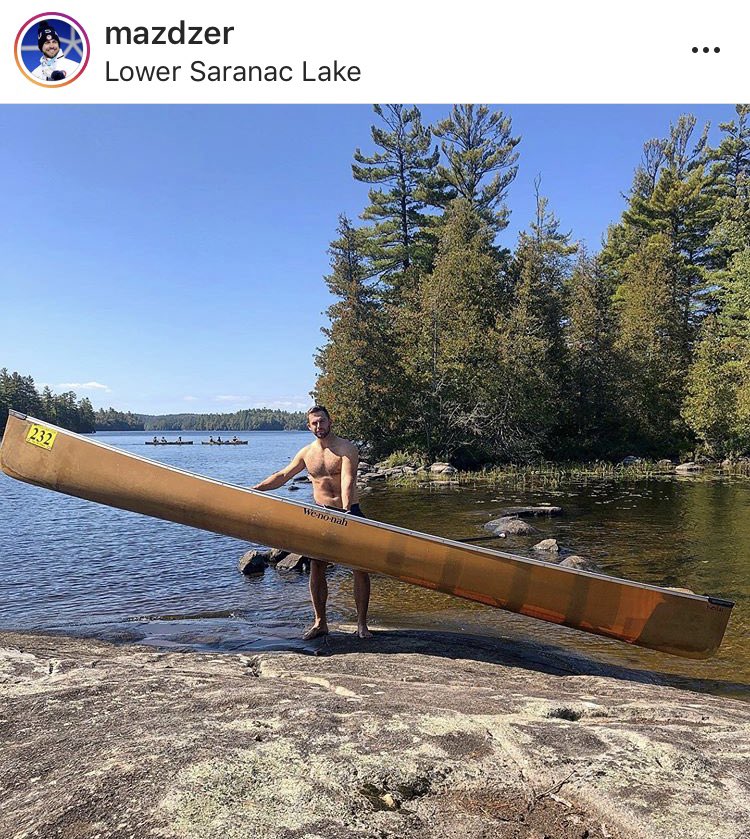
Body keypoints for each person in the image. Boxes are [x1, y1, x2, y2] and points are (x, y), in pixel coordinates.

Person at [252, 405, 372, 640]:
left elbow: (348, 480)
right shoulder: (307, 453)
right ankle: (320, 623)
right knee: (317, 566)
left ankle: (361, 625)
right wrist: (256, 489)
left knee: (359, 567)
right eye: (314, 423)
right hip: (321, 514)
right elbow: (283, 475)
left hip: (349, 512)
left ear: (330, 421)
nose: (319, 426)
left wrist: (346, 512)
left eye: (322, 421)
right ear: (309, 426)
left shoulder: (346, 448)